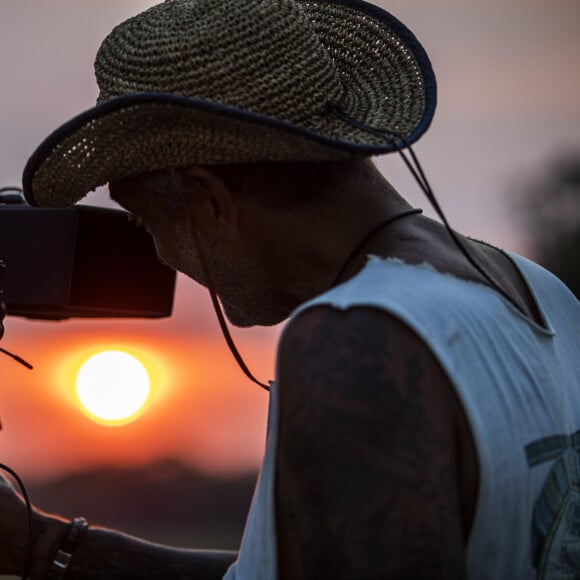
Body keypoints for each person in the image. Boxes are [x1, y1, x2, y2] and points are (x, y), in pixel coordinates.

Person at [2, 0, 578, 578]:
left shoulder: (360, 343)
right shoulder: (543, 292)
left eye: (150, 223)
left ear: (208, 199)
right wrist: (41, 545)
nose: (163, 256)